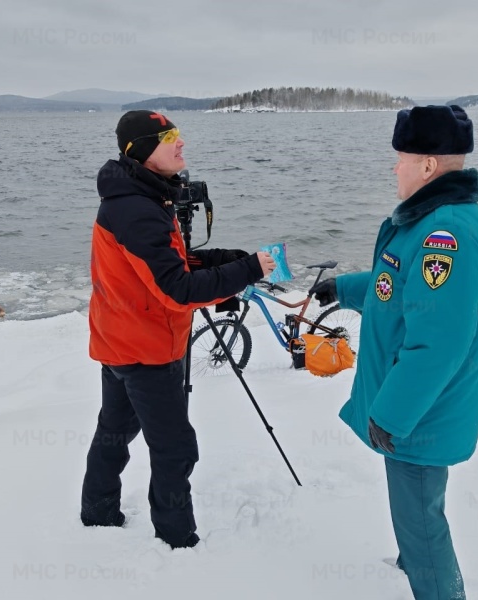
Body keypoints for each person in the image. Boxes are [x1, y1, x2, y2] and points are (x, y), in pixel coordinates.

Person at [311, 105, 478, 598]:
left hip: (422, 415)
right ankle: (409, 561)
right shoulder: (427, 221)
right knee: (415, 507)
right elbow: (398, 284)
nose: (394, 167)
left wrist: (392, 414)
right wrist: (345, 289)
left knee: (421, 520)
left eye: (401, 157)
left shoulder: (447, 234)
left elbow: (438, 343)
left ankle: (434, 583)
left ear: (429, 165)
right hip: (418, 408)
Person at [81, 110, 276, 550]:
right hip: (148, 350)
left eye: (179, 133)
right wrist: (246, 270)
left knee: (114, 431)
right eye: (169, 137)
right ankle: (177, 541)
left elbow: (160, 268)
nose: (181, 143)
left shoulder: (135, 196)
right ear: (144, 150)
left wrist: (224, 260)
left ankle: (97, 513)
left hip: (118, 340)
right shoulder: (139, 209)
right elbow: (177, 289)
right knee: (175, 449)